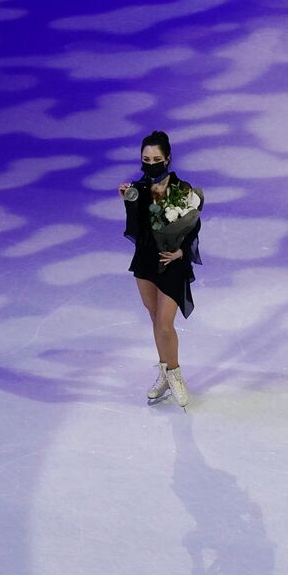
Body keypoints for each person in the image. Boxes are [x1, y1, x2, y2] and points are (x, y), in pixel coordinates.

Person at [120, 130, 203, 407]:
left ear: (167, 159)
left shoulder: (182, 190)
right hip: (146, 261)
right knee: (155, 320)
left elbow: (193, 225)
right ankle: (164, 372)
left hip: (171, 261)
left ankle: (176, 375)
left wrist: (181, 251)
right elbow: (135, 230)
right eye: (145, 159)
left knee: (165, 324)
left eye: (156, 158)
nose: (150, 163)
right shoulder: (139, 189)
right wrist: (128, 202)